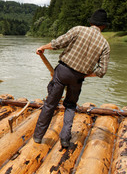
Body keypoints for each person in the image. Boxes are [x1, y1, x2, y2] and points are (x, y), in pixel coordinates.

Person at [33, 9, 110, 148]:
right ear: (103, 26)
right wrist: (85, 74)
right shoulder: (105, 44)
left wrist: (43, 47)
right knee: (70, 106)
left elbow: (58, 43)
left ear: (91, 22)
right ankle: (65, 139)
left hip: (62, 72)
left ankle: (38, 137)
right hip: (78, 79)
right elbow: (102, 71)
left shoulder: (78, 30)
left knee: (50, 104)